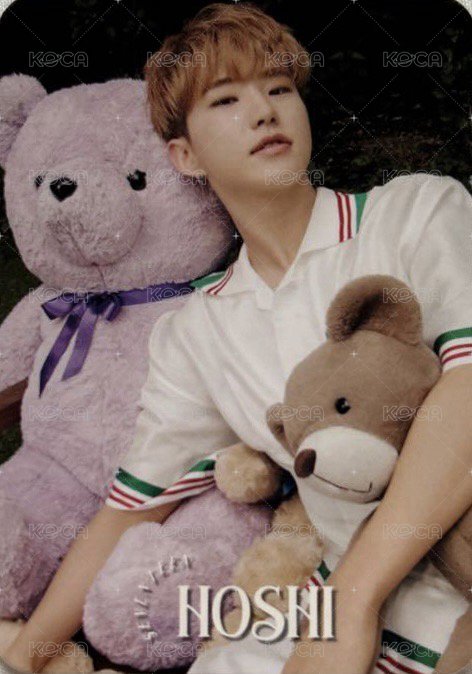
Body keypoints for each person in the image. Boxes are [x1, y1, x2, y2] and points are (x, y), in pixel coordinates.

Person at [3, 3, 472, 673]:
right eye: (226, 99)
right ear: (184, 155)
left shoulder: (416, 211)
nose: (264, 111)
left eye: (279, 88)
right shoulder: (195, 331)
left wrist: (354, 599)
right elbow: (129, 511)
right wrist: (25, 657)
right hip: (317, 614)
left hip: (401, 598)